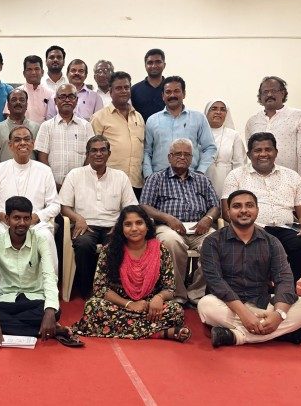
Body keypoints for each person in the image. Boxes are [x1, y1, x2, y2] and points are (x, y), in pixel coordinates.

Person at [198, 190, 301, 348]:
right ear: (228, 212)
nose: (244, 210)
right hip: (228, 304)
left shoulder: (271, 241)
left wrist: (278, 314)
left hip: (262, 303)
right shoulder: (213, 241)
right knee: (206, 306)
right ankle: (282, 332)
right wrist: (244, 313)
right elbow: (215, 282)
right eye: (237, 206)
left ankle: (236, 336)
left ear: (257, 210)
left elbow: (284, 278)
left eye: (249, 205)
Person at [0, 196, 83, 348]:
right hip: (6, 298)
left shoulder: (40, 239)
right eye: (16, 218)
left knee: (54, 311)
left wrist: (49, 312)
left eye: (26, 218)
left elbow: (50, 276)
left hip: (34, 299)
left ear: (31, 219)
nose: (22, 223)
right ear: (7, 218)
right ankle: (49, 329)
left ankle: (19, 326)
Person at [73, 205, 189, 341]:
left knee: (176, 310)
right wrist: (129, 304)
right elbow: (100, 288)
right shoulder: (110, 251)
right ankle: (158, 333)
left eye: (139, 223)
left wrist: (158, 298)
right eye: (128, 224)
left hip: (149, 307)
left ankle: (127, 329)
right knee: (93, 306)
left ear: (147, 226)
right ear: (121, 228)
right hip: (119, 305)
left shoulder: (160, 250)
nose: (134, 228)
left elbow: (169, 288)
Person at [222, 132, 301, 283]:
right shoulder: (236, 176)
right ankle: (274, 286)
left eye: (268, 149)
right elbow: (227, 212)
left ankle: (282, 284)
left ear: (276, 152)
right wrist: (248, 226)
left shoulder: (292, 176)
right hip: (252, 228)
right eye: (257, 150)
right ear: (249, 154)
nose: (263, 154)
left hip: (287, 228)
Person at [140, 139, 220, 305]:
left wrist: (208, 218)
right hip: (168, 227)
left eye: (187, 154)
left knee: (214, 242)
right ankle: (177, 295)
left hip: (199, 227)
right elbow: (145, 206)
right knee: (172, 242)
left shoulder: (202, 180)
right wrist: (167, 218)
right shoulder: (156, 179)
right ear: (169, 157)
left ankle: (196, 294)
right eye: (178, 154)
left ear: (191, 158)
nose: (182, 157)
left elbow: (215, 206)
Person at [59, 135, 138, 298]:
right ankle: (88, 290)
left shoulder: (120, 176)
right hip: (86, 225)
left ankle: (113, 289)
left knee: (117, 245)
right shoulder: (75, 174)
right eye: (94, 151)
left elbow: (131, 207)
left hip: (113, 226)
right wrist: (78, 218)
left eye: (103, 150)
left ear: (109, 153)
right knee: (83, 244)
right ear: (87, 154)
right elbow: (63, 206)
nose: (98, 154)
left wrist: (120, 223)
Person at [0, 126, 60, 273]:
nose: (22, 143)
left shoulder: (44, 170)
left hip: (34, 223)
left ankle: (47, 285)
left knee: (46, 239)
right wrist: (1, 216)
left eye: (26, 139)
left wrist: (37, 217)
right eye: (17, 140)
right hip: (4, 223)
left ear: (33, 143)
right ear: (10, 146)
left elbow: (55, 204)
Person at [143, 76, 217, 178]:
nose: (172, 95)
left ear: (184, 94)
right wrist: (149, 176)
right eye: (168, 92)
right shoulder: (152, 120)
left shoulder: (198, 118)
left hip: (190, 179)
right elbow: (147, 151)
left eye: (176, 91)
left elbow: (210, 147)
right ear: (163, 96)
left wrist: (200, 172)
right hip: (159, 180)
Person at [245, 76, 301, 187]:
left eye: (274, 91)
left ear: (283, 93)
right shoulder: (252, 121)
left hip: (289, 182)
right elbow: (251, 153)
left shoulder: (299, 116)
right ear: (260, 97)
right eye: (265, 92)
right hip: (258, 182)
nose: (269, 95)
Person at [90, 71, 146, 198]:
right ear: (110, 92)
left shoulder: (138, 117)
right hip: (108, 182)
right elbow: (91, 153)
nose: (123, 91)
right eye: (118, 88)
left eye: (126, 87)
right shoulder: (99, 117)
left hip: (136, 183)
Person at [36, 84, 95, 188]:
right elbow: (42, 158)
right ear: (55, 101)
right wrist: (53, 184)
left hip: (80, 186)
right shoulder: (46, 126)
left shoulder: (86, 126)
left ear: (76, 100)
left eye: (71, 96)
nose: (67, 100)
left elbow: (91, 155)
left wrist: (80, 182)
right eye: (62, 97)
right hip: (52, 186)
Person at [203, 99, 247, 197]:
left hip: (226, 181)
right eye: (214, 109)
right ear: (207, 112)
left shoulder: (233, 135)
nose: (218, 112)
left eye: (222, 110)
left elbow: (240, 164)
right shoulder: (199, 133)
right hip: (202, 179)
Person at [0, 88, 40, 165]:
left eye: (22, 100)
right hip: (5, 175)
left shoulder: (36, 128)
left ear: (26, 105)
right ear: (8, 106)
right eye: (14, 100)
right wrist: (2, 175)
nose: (18, 102)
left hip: (31, 175)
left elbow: (40, 156)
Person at [13, 55, 54, 123]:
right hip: (22, 132)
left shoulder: (51, 94)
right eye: (29, 69)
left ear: (42, 72)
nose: (33, 72)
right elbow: (9, 116)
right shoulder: (15, 93)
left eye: (36, 69)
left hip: (45, 132)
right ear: (24, 73)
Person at [131, 48, 166, 122]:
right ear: (145, 66)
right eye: (150, 62)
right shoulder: (134, 90)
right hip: (142, 132)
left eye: (158, 62)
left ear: (164, 65)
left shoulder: (171, 89)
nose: (154, 66)